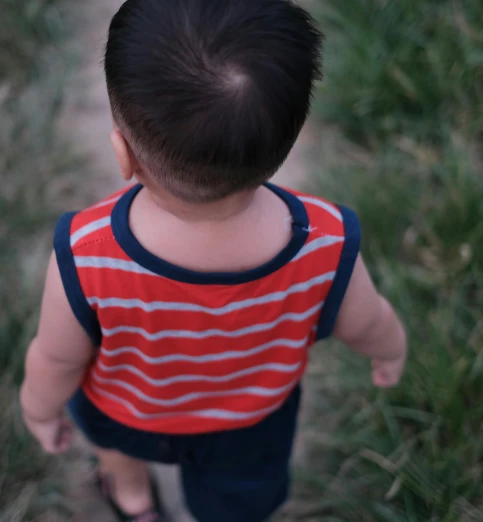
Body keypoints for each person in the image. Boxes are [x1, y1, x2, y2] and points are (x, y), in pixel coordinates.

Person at [20, 0, 408, 520]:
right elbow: (368, 320)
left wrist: (39, 409)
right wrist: (390, 350)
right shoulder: (324, 240)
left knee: (117, 448)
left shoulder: (87, 252)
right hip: (249, 425)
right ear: (285, 144)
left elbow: (57, 358)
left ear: (123, 153)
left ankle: (132, 496)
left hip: (127, 413)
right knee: (237, 499)